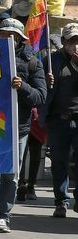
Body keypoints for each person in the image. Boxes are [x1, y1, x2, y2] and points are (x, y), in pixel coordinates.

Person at [0, 18, 46, 232]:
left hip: (18, 127)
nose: (8, 38)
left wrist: (23, 87)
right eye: (4, 34)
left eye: (13, 35)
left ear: (20, 39)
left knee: (11, 173)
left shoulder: (33, 62)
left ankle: (4, 214)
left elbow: (40, 96)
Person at [44, 22, 78, 218]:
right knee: (59, 163)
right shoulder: (52, 60)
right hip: (58, 120)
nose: (75, 44)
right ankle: (61, 202)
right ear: (63, 41)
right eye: (71, 40)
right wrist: (46, 81)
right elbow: (41, 86)